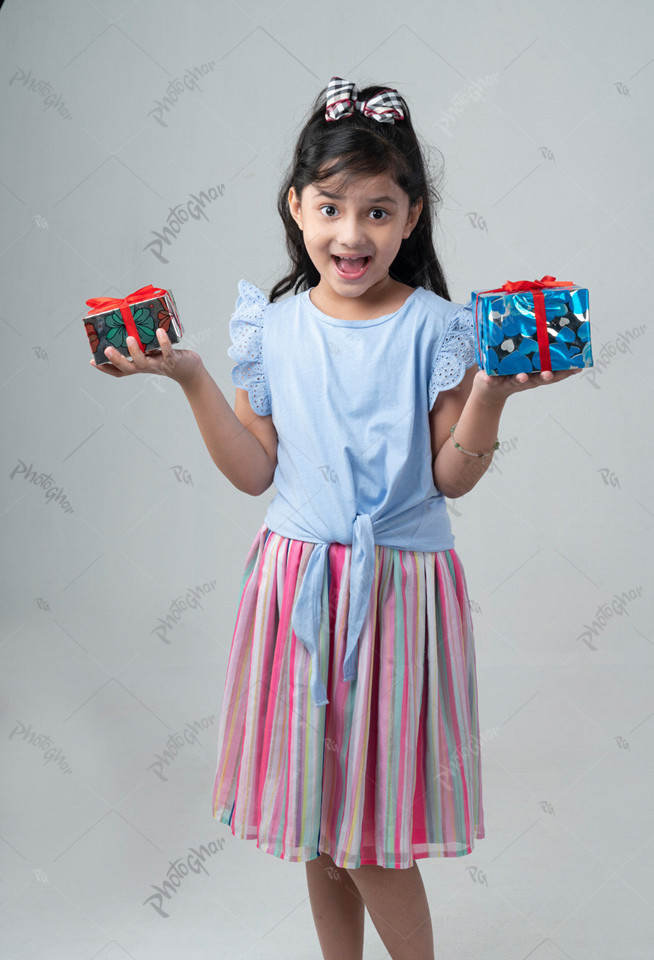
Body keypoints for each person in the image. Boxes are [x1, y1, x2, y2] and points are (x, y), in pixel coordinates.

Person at [91, 76, 581, 960]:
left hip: (397, 595)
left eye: (378, 212)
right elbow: (254, 473)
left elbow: (448, 479)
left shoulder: (440, 328)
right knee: (321, 833)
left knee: (369, 835)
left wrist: (493, 396)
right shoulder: (270, 330)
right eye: (330, 208)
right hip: (295, 588)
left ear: (412, 217)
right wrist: (192, 377)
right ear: (297, 206)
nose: (351, 235)